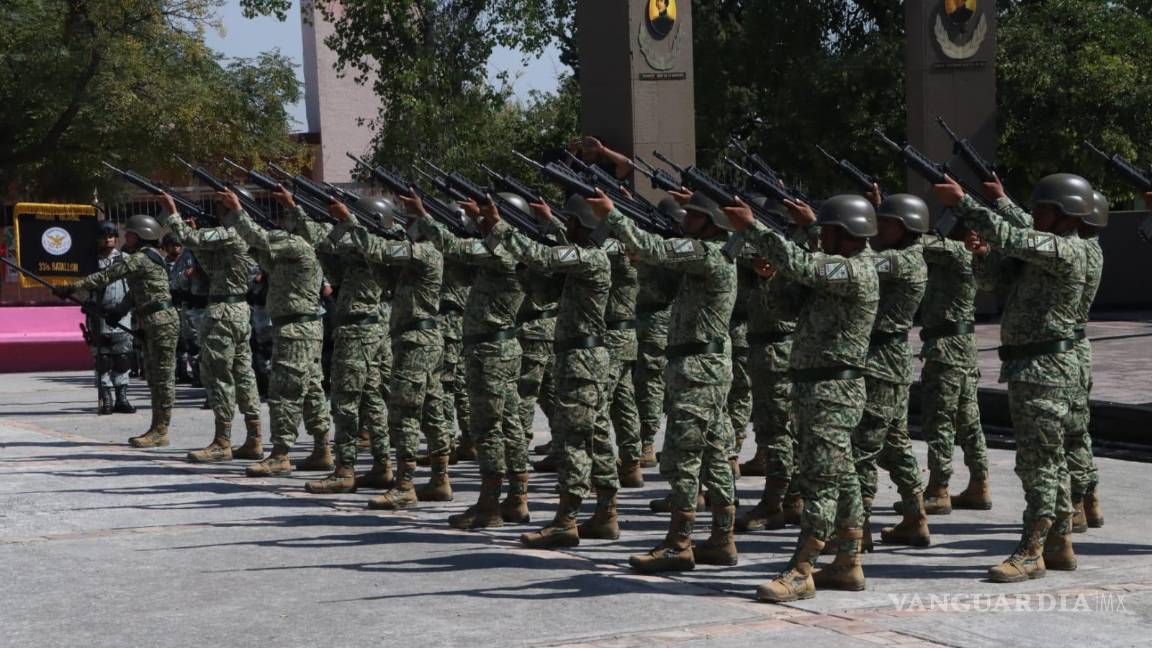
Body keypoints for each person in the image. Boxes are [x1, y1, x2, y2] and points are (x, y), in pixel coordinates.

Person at [933, 172, 1090, 583]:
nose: (1034, 214)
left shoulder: (1066, 250)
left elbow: (1014, 235)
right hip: (1030, 368)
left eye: (1042, 209)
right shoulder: (1045, 251)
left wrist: (964, 203)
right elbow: (993, 281)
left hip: (1046, 373)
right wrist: (983, 253)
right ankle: (1059, 544)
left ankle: (1031, 551)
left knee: (1038, 464)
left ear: (1065, 215)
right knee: (1047, 461)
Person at [725, 194, 879, 603]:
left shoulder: (855, 270)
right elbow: (785, 307)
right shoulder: (834, 271)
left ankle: (802, 568)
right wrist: (769, 275)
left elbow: (804, 264)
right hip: (816, 388)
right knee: (841, 478)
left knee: (820, 481)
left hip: (834, 391)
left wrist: (753, 228)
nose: (820, 237)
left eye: (826, 231)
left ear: (845, 234)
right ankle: (848, 562)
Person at [605, 190, 739, 573]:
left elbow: (655, 248)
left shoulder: (708, 254)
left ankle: (679, 543)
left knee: (683, 455)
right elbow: (658, 278)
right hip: (703, 364)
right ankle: (721, 538)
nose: (684, 221)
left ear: (711, 223)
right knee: (714, 452)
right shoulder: (712, 256)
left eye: (693, 216)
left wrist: (613, 215)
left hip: (699, 368)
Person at [482, 195, 614, 548]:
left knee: (574, 441)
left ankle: (566, 520)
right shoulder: (583, 260)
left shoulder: (590, 258)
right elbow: (542, 286)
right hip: (582, 358)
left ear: (582, 227)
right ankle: (605, 513)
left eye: (569, 223)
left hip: (582, 361)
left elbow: (544, 255)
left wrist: (499, 225)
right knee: (595, 437)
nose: (564, 228)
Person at [322, 195, 451, 509]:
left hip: (417, 342)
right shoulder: (415, 256)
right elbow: (383, 275)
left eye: (410, 223)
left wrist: (351, 223)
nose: (404, 228)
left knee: (405, 413)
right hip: (416, 339)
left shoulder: (425, 252)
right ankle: (439, 479)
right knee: (432, 410)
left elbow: (380, 250)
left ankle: (406, 485)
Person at [420, 194, 528, 529]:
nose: (480, 222)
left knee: (488, 429)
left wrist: (423, 214)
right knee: (510, 426)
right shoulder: (506, 250)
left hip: (490, 354)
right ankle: (517, 498)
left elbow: (454, 248)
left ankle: (489, 505)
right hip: (501, 351)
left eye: (487, 218)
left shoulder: (504, 252)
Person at [216, 188, 329, 478]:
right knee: (311, 389)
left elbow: (260, 238)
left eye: (288, 215)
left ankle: (280, 454)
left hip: (295, 329)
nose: (284, 220)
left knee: (284, 392)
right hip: (303, 326)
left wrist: (239, 211)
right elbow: (266, 257)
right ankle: (322, 448)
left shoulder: (299, 245)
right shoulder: (302, 248)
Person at [157, 194, 264, 463]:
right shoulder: (240, 235)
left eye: (219, 207)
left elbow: (190, 241)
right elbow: (212, 265)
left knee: (218, 377)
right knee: (243, 375)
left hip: (223, 313)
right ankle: (254, 438)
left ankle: (222, 441)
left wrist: (172, 213)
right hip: (238, 311)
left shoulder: (230, 233)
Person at [57, 215, 180, 447]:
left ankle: (161, 430)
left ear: (142, 235)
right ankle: (156, 428)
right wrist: (119, 311)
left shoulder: (141, 258)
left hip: (160, 320)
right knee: (154, 376)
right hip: (152, 319)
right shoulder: (150, 258)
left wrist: (73, 286)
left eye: (130, 233)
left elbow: (108, 275)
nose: (126, 236)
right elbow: (136, 292)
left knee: (163, 377)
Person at [852, 192, 931, 549]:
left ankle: (859, 526)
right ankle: (915, 517)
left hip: (881, 362)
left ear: (906, 227)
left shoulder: (904, 261)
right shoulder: (902, 257)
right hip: (885, 359)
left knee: (863, 445)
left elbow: (862, 262)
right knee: (894, 442)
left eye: (885, 223)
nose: (879, 228)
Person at [918, 210, 991, 512]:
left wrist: (885, 217)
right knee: (968, 419)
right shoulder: (966, 255)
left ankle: (938, 487)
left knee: (940, 420)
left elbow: (916, 242)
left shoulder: (957, 252)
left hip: (946, 348)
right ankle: (979, 484)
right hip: (962, 347)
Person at [1068, 191, 1108, 531]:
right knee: (1078, 431)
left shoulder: (1079, 251)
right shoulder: (1092, 249)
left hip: (1071, 350)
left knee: (1072, 432)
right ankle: (1090, 498)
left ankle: (1078, 502)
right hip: (1079, 347)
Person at [84, 221, 135, 415]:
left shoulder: (125, 259)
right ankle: (106, 397)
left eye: (111, 235)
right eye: (104, 235)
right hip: (99, 313)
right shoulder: (89, 262)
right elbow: (81, 287)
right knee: (103, 357)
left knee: (122, 357)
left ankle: (122, 398)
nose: (108, 239)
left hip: (121, 314)